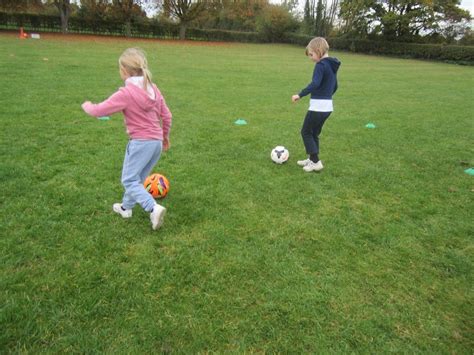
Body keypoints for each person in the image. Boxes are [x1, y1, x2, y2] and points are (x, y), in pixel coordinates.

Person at [82, 48, 172, 230]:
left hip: (140, 143)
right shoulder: (153, 89)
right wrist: (165, 138)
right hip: (155, 143)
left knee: (129, 180)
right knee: (137, 178)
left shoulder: (126, 93)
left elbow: (99, 110)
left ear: (124, 71)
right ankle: (126, 208)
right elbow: (167, 116)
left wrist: (87, 106)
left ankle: (153, 207)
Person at [292, 37, 340, 172]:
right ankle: (312, 159)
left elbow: (315, 84)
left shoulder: (321, 65)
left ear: (318, 50)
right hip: (327, 107)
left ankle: (316, 162)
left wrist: (300, 94)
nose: (311, 58)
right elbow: (335, 85)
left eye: (312, 54)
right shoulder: (331, 65)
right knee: (314, 133)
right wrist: (327, 96)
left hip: (318, 107)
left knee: (306, 132)